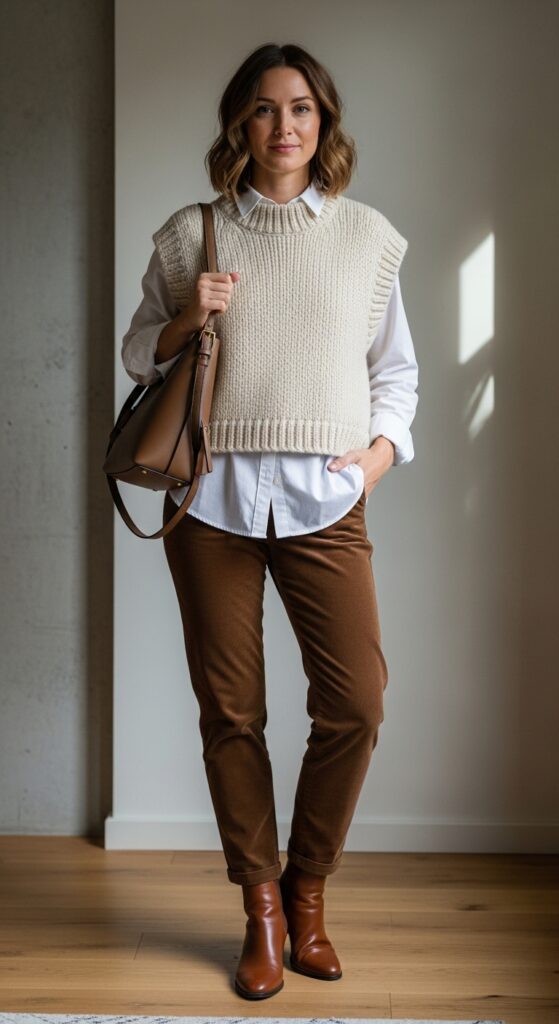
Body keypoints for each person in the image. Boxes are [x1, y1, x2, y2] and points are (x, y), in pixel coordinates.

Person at [121, 42, 418, 1002]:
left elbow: (396, 373)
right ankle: (259, 909)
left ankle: (307, 892)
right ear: (238, 124)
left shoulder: (366, 238)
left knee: (356, 704)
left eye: (300, 108)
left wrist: (374, 459)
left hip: (325, 501)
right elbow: (137, 355)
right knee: (230, 713)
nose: (282, 126)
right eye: (262, 108)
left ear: (322, 123)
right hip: (206, 501)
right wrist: (185, 318)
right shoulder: (190, 234)